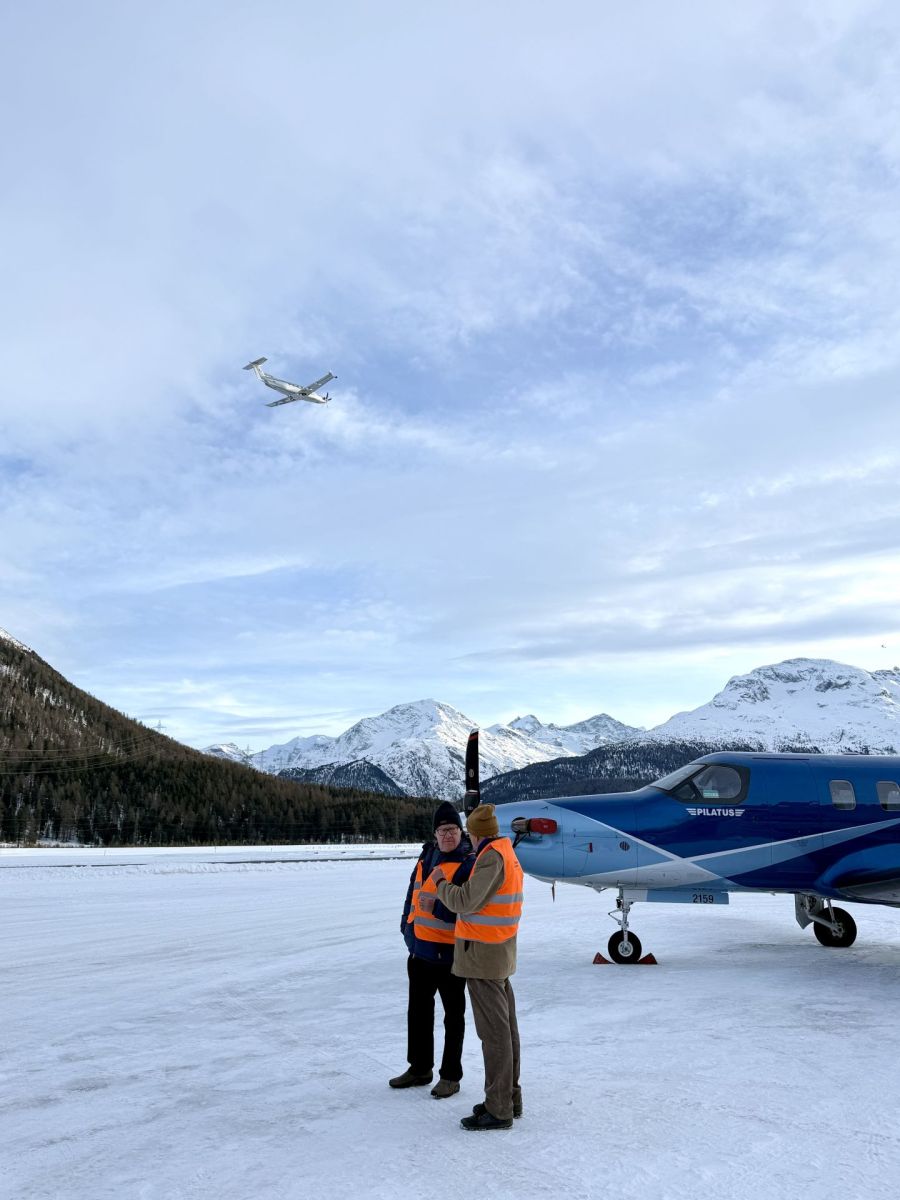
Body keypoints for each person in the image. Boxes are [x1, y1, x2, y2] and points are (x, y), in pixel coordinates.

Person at [424, 802, 524, 1131]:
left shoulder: (491, 857)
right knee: (505, 1031)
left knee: (494, 1035)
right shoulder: (505, 852)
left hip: (484, 956)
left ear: (476, 834)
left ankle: (499, 1108)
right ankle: (508, 1098)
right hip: (497, 952)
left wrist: (440, 882)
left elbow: (465, 901)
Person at [389, 801, 475, 1098]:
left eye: (452, 829)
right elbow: (412, 895)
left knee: (454, 1018)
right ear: (435, 834)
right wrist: (407, 928)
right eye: (442, 830)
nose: (447, 835)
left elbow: (469, 908)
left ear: (461, 832)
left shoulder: (468, 862)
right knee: (418, 1014)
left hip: (450, 955)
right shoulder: (427, 856)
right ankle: (419, 1067)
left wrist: (437, 909)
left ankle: (450, 1076)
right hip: (420, 952)